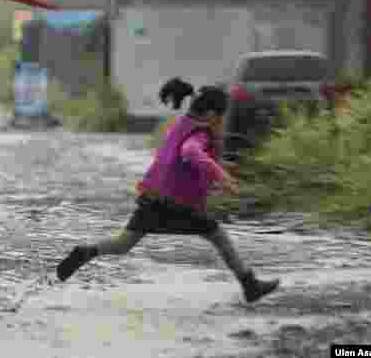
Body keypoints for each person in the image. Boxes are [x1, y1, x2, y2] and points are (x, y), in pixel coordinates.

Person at [55, 80, 280, 304]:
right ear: (212, 115)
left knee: (123, 243)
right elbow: (191, 152)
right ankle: (249, 285)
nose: (222, 123)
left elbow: (184, 163)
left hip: (153, 199)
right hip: (176, 204)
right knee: (218, 236)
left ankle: (85, 252)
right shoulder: (200, 134)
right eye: (222, 117)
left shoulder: (181, 125)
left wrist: (219, 170)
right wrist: (221, 175)